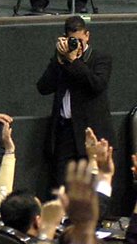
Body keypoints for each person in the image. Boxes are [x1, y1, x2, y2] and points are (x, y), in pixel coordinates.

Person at [36, 14, 113, 186]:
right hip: (65, 132)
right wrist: (59, 60)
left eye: (80, 39)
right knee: (62, 184)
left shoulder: (100, 58)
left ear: (87, 35)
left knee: (93, 184)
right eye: (73, 40)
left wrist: (74, 61)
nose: (78, 44)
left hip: (91, 132)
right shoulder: (60, 60)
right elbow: (43, 88)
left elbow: (97, 84)